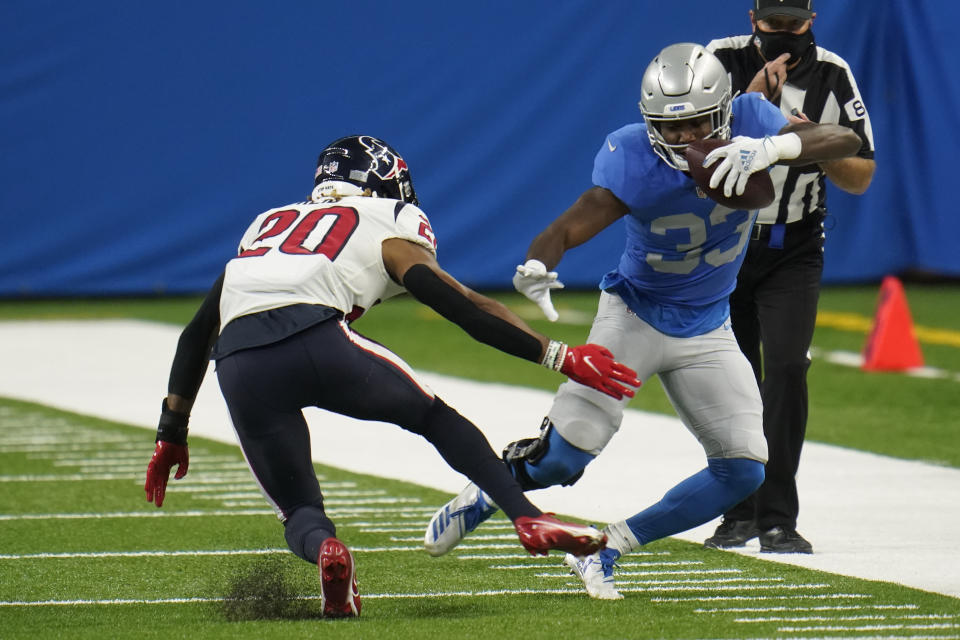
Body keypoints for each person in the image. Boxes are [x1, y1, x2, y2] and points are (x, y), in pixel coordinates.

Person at [423, 43, 861, 600]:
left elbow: (845, 141)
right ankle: (491, 488)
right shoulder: (632, 154)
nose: (682, 140)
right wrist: (538, 262)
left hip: (707, 325)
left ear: (724, 110)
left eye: (697, 124)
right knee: (565, 459)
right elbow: (570, 223)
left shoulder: (752, 121)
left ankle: (609, 547)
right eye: (668, 127)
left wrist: (771, 148)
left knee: (744, 470)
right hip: (633, 314)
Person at [142, 134, 643, 617]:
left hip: (239, 359)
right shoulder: (385, 218)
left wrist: (171, 435)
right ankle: (526, 516)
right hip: (318, 337)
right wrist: (557, 355)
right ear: (383, 183)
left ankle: (327, 551)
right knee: (432, 417)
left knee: (299, 511)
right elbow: (462, 306)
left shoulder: (269, 224)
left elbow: (196, 335)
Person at [702, 0, 876, 554]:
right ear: (753, 18)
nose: (782, 35)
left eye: (792, 25)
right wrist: (752, 106)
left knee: (784, 370)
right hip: (727, 244)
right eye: (772, 24)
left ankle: (777, 516)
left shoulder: (832, 72)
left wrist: (809, 143)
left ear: (811, 21)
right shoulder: (718, 62)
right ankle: (737, 511)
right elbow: (690, 151)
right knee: (731, 379)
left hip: (793, 243)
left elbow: (861, 175)